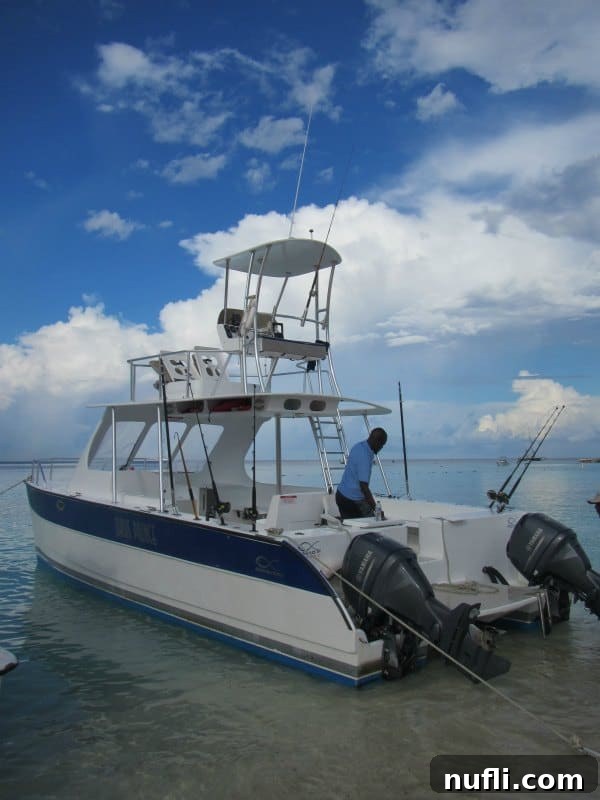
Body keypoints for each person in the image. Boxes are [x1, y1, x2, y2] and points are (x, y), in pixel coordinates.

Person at [336, 428, 387, 519]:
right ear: (377, 441)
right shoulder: (365, 456)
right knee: (375, 520)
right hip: (351, 500)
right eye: (382, 445)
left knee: (351, 526)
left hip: (341, 495)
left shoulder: (358, 446)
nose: (381, 448)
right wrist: (376, 509)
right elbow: (363, 486)